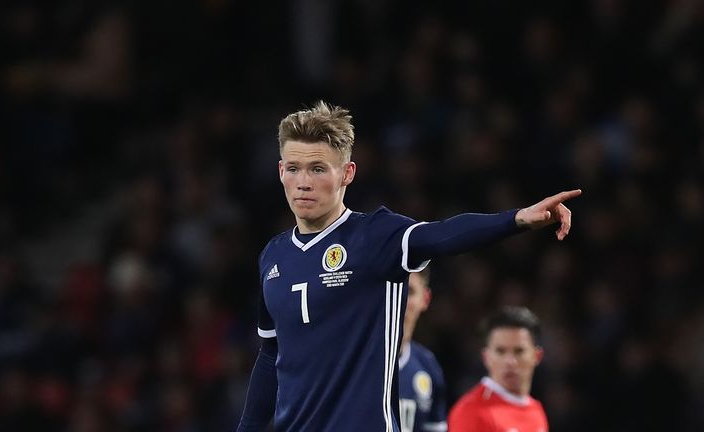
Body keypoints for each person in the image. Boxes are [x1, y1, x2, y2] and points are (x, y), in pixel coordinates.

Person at [236, 101, 580, 431]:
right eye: (294, 169)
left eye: (318, 169)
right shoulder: (274, 256)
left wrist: (516, 219)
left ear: (347, 174)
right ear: (281, 171)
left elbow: (443, 235)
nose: (304, 182)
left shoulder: (374, 237)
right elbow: (271, 354)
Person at [448, 306, 548, 432]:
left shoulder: (536, 411)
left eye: (519, 351)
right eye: (500, 351)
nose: (510, 361)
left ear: (536, 356)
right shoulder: (471, 411)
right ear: (486, 357)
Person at [398, 270, 447, 432]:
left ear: (425, 299)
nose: (401, 300)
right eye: (396, 289)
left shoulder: (428, 367)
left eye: (410, 291)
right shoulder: (354, 361)